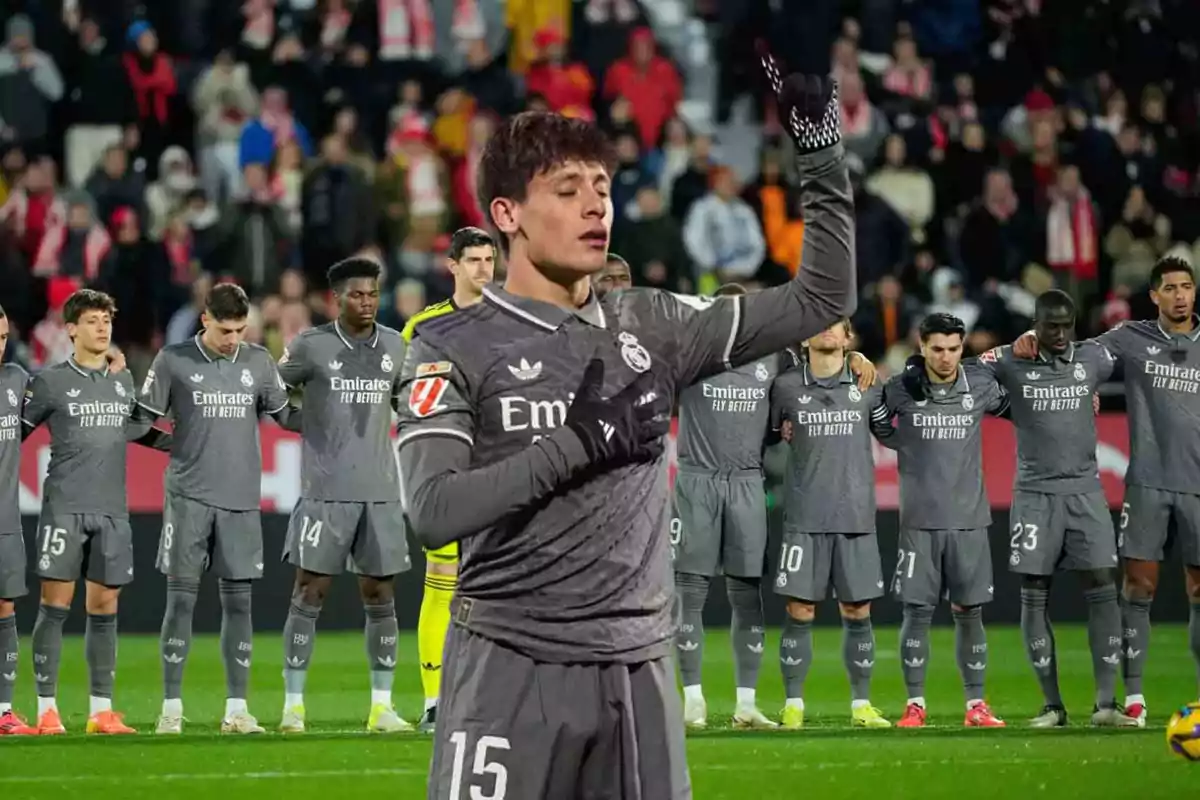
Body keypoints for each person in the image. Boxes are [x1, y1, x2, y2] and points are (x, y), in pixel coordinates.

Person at [397, 59, 854, 798]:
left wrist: (820, 147)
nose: (594, 208)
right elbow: (434, 510)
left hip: (637, 667)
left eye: (602, 189)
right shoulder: (450, 344)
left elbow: (823, 295)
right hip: (509, 663)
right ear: (507, 214)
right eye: (568, 190)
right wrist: (579, 443)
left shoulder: (655, 322)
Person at [673, 284, 874, 730]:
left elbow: (821, 369)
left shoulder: (775, 359)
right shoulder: (687, 355)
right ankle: (692, 700)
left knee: (747, 594)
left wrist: (856, 359)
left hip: (748, 483)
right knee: (690, 593)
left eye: (738, 314)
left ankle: (746, 704)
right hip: (697, 481)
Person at [1013, 257, 1200, 726]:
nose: (1180, 295)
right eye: (1171, 288)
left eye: (1187, 286)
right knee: (1138, 587)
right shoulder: (1128, 339)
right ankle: (1132, 699)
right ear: (1154, 295)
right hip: (1148, 481)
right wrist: (1032, 339)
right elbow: (1073, 355)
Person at [137, 283, 295, 735]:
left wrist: (330, 410)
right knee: (181, 601)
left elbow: (286, 416)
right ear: (205, 319)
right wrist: (174, 443)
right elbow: (137, 423)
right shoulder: (174, 360)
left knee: (240, 604)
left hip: (241, 499)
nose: (233, 339)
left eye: (241, 330)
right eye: (226, 329)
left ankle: (236, 709)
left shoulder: (259, 362)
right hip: (189, 497)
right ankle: (170, 707)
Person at [980, 290, 1135, 727]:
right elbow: (967, 367)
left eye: (1068, 325)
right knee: (1034, 588)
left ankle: (1106, 704)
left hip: (1086, 492)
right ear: (1037, 324)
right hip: (1034, 494)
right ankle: (1052, 705)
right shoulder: (1014, 359)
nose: (1061, 334)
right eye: (1051, 326)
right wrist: (1017, 341)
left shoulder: (1092, 358)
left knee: (1103, 581)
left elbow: (1130, 342)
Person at [20, 289, 172, 735]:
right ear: (71, 329)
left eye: (107, 319)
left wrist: (184, 443)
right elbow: (16, 434)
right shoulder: (49, 382)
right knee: (55, 605)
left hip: (111, 510)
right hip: (65, 508)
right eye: (92, 320)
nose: (103, 327)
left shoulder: (120, 380)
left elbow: (135, 431)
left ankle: (100, 711)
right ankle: (47, 709)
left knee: (105, 606)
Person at [275, 257, 411, 733]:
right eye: (358, 294)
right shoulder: (311, 346)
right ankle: (293, 705)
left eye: (373, 293)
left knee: (380, 594)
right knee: (309, 591)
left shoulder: (396, 346)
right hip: (325, 493)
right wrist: (298, 421)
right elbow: (271, 391)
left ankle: (382, 706)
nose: (368, 302)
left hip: (379, 492)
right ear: (337, 298)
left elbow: (409, 406)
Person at [881, 312, 1008, 729]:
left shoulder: (981, 385)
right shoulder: (901, 389)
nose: (946, 357)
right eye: (937, 349)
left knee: (969, 612)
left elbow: (1019, 404)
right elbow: (875, 419)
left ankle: (976, 706)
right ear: (922, 347)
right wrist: (905, 446)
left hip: (969, 520)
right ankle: (915, 703)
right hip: (919, 521)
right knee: (916, 613)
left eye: (954, 348)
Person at [769, 318, 893, 729]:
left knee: (858, 610)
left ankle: (861, 705)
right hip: (804, 518)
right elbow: (769, 434)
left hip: (856, 516)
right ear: (804, 337)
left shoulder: (867, 383)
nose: (826, 331)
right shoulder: (785, 386)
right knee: (799, 610)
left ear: (848, 338)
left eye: (835, 326)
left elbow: (888, 432)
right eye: (818, 325)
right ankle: (793, 705)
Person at [400, 226, 496, 733]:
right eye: (474, 260)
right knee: (442, 582)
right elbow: (410, 400)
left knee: (503, 584)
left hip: (503, 468)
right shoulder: (424, 327)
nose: (484, 268)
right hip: (451, 470)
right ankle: (436, 698)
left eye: (489, 259)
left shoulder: (517, 319)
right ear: (453, 266)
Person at [0, 304, 36, 736]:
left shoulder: (17, 380)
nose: (0, 347)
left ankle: (3, 710)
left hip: (6, 518)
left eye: (4, 338)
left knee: (6, 608)